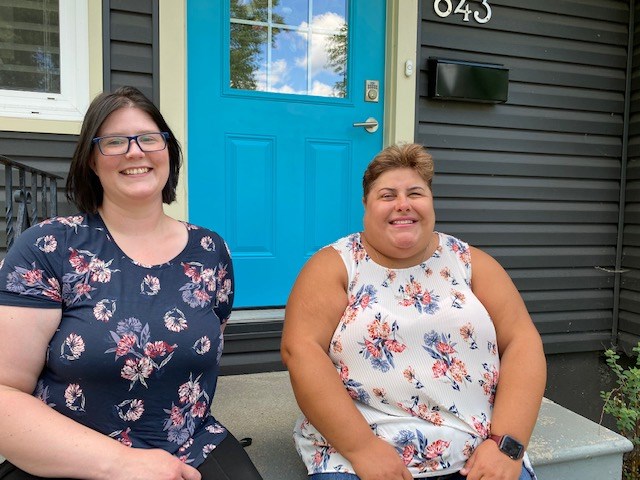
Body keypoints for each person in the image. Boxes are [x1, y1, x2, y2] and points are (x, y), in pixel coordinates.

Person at [0, 86, 263, 480]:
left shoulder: (210, 251)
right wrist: (124, 464)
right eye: (114, 142)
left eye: (149, 138)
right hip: (70, 456)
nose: (134, 152)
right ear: (91, 160)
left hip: (190, 451)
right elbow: (5, 392)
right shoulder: (47, 246)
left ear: (169, 152)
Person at [281, 143, 546, 480]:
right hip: (358, 454)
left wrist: (507, 445)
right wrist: (362, 449)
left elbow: (523, 342)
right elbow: (301, 351)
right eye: (387, 195)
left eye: (415, 193)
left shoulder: (470, 263)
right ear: (366, 205)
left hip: (478, 452)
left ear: (431, 201)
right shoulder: (335, 266)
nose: (402, 205)